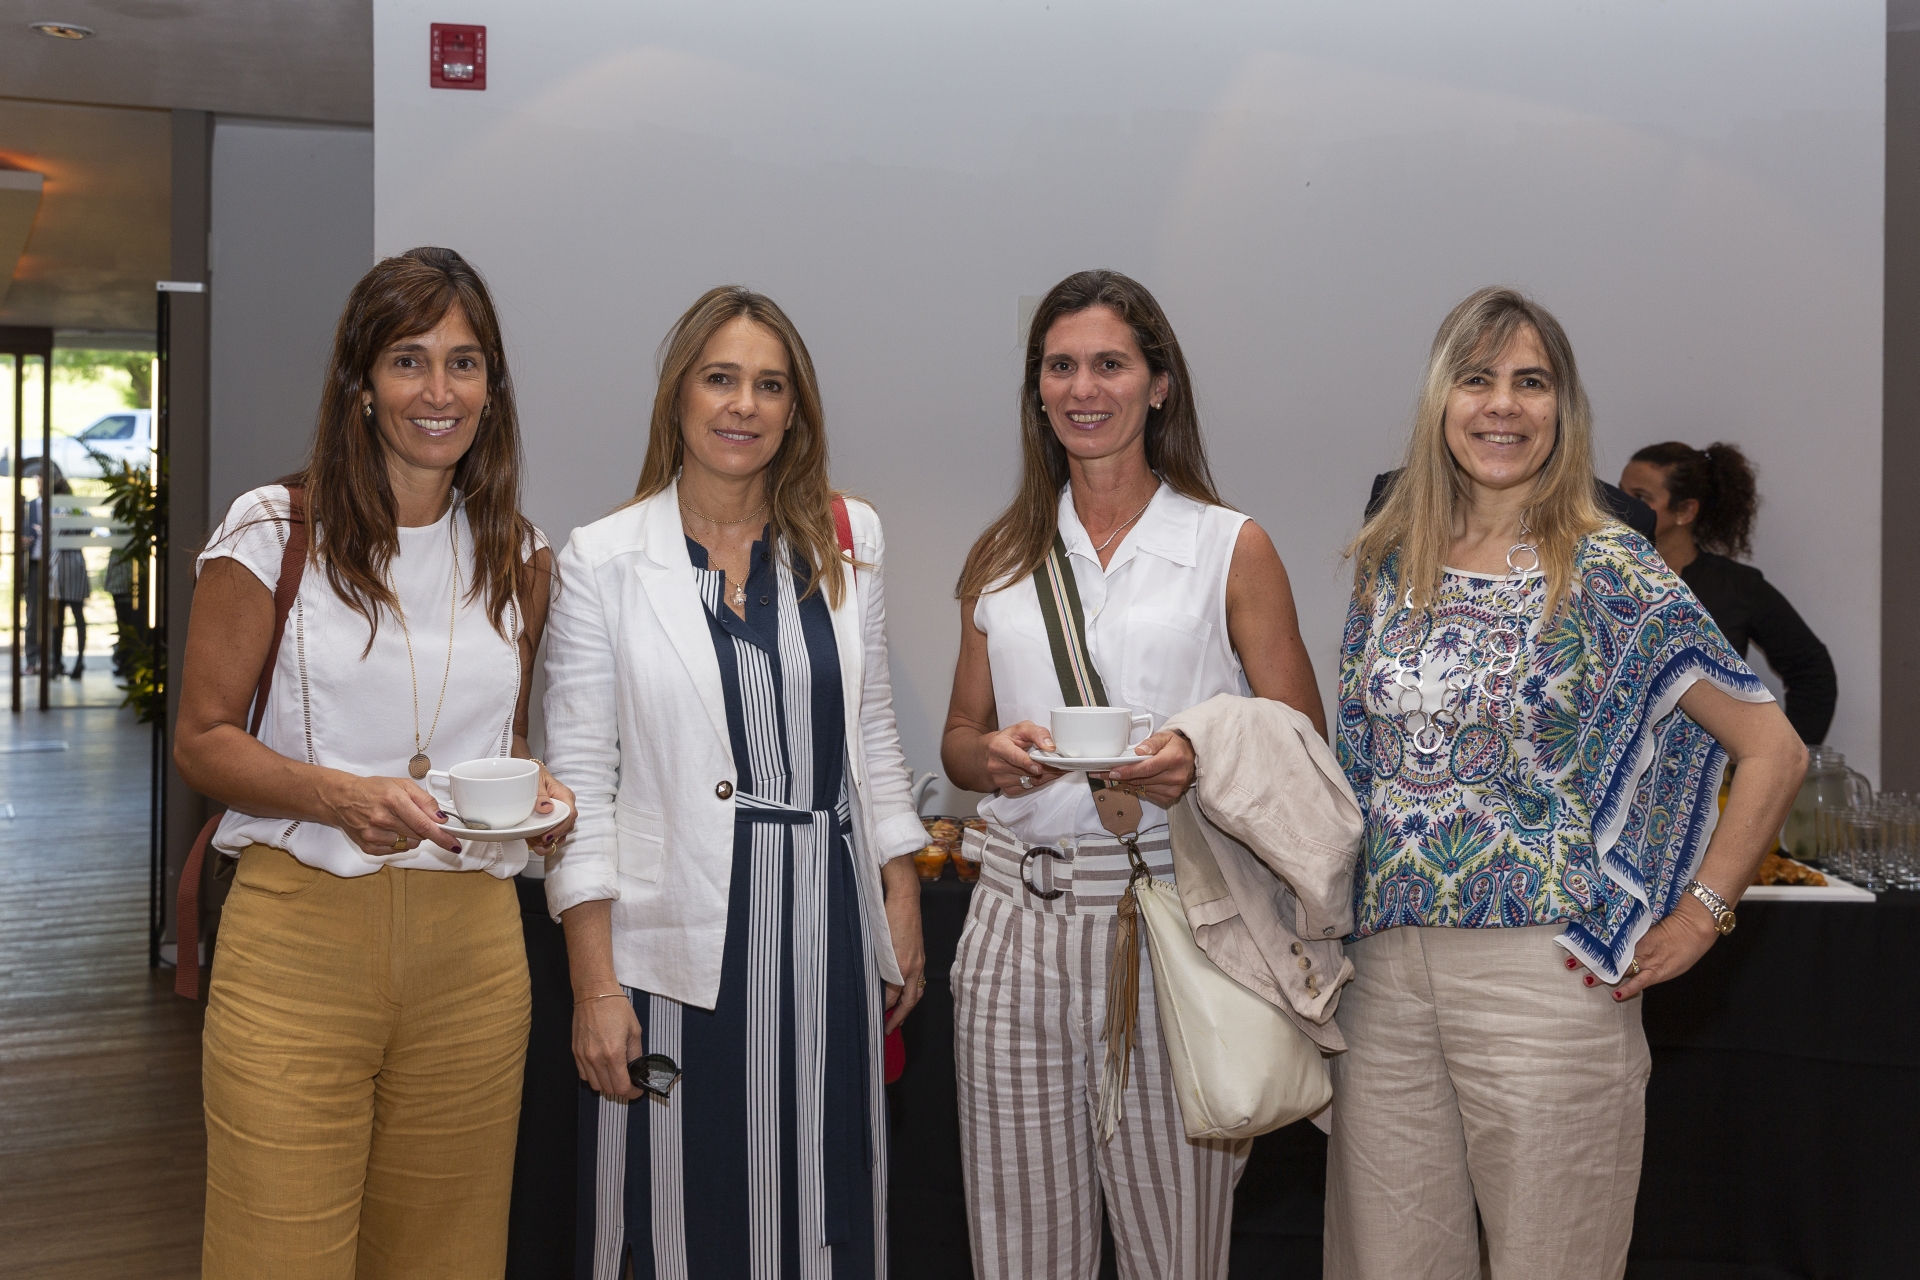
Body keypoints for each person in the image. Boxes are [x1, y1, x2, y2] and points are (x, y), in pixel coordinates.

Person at [1327, 286, 1807, 1279]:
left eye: (1531, 382)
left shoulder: (1605, 565)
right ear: (1440, 401)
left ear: (1562, 408)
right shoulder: (1387, 560)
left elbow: (1775, 747)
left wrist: (1705, 908)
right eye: (1478, 378)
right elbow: (1357, 765)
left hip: (1545, 980)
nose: (1503, 405)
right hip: (1383, 977)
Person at [175, 247, 573, 1279]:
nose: (438, 392)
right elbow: (203, 737)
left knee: (447, 1255)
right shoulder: (273, 531)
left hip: (475, 954)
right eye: (408, 360)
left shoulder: (522, 555)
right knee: (278, 1251)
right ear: (360, 384)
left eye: (465, 362)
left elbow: (510, 742)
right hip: (299, 936)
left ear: (492, 388)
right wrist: (335, 794)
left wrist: (544, 797)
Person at [941, 269, 1326, 1280]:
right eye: (1060, 365)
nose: (1084, 387)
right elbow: (957, 737)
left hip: (1171, 922)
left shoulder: (1226, 544)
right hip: (1015, 920)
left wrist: (1197, 755)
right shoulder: (1002, 556)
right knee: (1020, 1248)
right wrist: (993, 757)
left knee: (1175, 1251)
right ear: (1037, 390)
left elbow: (1301, 733)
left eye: (1110, 363)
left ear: (1159, 383)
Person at [543, 286, 928, 1280]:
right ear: (679, 395)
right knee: (677, 1202)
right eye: (721, 378)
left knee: (819, 1194)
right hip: (671, 949)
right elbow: (579, 782)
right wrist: (593, 984)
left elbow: (873, 736)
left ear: (795, 410)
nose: (742, 405)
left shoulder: (852, 541)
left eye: (769, 384)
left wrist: (901, 895)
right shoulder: (602, 558)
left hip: (828, 935)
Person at [1620, 441, 1836, 743]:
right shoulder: (1601, 573)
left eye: (1640, 497)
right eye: (1620, 492)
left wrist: (1776, 761)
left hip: (1710, 782)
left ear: (1685, 511)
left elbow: (1813, 673)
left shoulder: (1736, 586)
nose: (1619, 505)